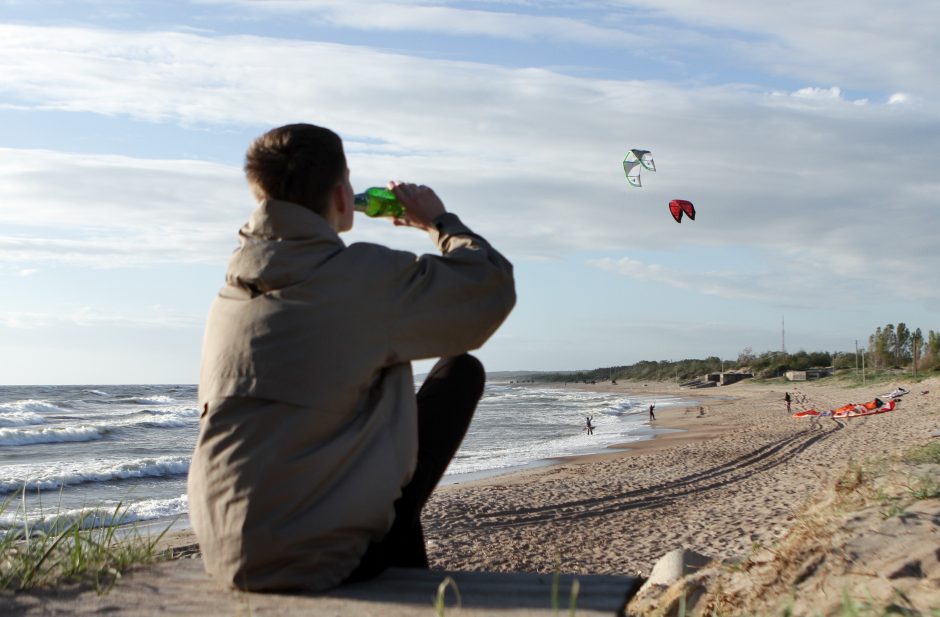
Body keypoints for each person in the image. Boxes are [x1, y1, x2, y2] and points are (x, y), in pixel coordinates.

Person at [186, 123, 516, 592]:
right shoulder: (363, 277)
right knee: (460, 370)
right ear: (343, 194)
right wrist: (439, 223)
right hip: (325, 561)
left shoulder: (231, 293)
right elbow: (489, 287)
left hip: (228, 557)